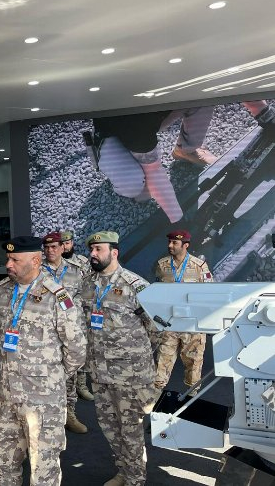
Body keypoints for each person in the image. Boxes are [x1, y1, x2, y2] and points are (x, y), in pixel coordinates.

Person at [0, 236, 86, 486]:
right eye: (8, 258)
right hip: (7, 396)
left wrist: (50, 378)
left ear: (35, 260)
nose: (8, 264)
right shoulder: (3, 290)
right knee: (2, 463)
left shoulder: (57, 295)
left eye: (14, 259)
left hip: (43, 400)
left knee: (43, 470)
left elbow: (76, 349)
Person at [79, 231, 158, 486]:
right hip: (99, 371)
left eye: (98, 249)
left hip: (129, 375)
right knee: (110, 428)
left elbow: (156, 329)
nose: (92, 254)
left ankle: (136, 480)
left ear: (114, 252)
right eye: (91, 249)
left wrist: (136, 357)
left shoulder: (135, 285)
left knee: (130, 431)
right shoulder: (86, 284)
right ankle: (123, 472)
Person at [88, 107, 216, 223]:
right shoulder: (135, 119)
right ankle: (103, 149)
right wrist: (178, 220)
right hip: (114, 130)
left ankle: (185, 150)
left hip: (146, 118)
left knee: (201, 100)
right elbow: (154, 170)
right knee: (136, 187)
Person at [153, 230, 214, 395]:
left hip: (191, 324)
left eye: (175, 243)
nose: (170, 245)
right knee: (162, 362)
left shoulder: (199, 266)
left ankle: (192, 398)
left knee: (194, 364)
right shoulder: (162, 265)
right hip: (169, 323)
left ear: (185, 245)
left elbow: (210, 292)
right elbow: (156, 291)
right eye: (169, 242)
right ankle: (153, 399)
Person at [42, 232, 91, 434]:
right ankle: (48, 417)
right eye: (47, 247)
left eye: (54, 247)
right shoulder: (38, 271)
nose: (50, 251)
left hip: (71, 328)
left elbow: (86, 297)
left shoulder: (76, 270)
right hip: (46, 332)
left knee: (70, 373)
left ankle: (69, 414)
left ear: (63, 247)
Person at [60, 230, 94, 404]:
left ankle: (81, 385)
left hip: (78, 313)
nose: (65, 246)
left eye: (68, 243)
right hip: (59, 316)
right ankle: (65, 390)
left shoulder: (82, 262)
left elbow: (88, 286)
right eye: (62, 244)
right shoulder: (49, 265)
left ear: (72, 243)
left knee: (81, 349)